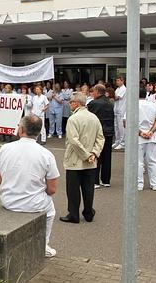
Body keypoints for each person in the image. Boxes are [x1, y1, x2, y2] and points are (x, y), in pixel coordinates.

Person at [0, 114, 59, 257]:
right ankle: (43, 245)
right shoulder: (46, 154)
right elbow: (52, 189)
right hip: (34, 203)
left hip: (8, 200)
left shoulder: (5, 148)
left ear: (21, 129)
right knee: (51, 211)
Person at [60, 93, 104, 224]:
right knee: (88, 188)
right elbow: (100, 138)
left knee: (73, 189)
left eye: (71, 102)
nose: (70, 104)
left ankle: (73, 214)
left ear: (76, 103)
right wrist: (94, 153)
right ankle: (88, 212)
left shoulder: (73, 119)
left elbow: (74, 141)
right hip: (91, 160)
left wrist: (85, 155)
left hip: (75, 160)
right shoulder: (94, 118)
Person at [134, 90, 156, 191]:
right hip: (151, 137)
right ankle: (155, 183)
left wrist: (140, 132)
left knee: (138, 162)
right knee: (153, 161)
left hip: (138, 137)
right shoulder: (153, 105)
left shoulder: (133, 105)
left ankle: (139, 184)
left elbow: (126, 122)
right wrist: (151, 131)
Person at [87, 84, 115, 188]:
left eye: (93, 91)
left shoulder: (93, 103)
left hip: (97, 132)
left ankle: (95, 180)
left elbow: (88, 117)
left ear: (98, 92)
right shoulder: (110, 102)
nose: (92, 93)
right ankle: (106, 180)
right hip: (109, 132)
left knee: (96, 154)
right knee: (107, 156)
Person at [112, 76, 127, 150]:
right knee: (116, 127)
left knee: (121, 128)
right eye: (116, 81)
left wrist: (110, 95)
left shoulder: (124, 89)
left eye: (118, 81)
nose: (117, 82)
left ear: (122, 81)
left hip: (122, 110)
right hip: (116, 110)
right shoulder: (117, 89)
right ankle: (117, 141)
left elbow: (117, 97)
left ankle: (122, 143)